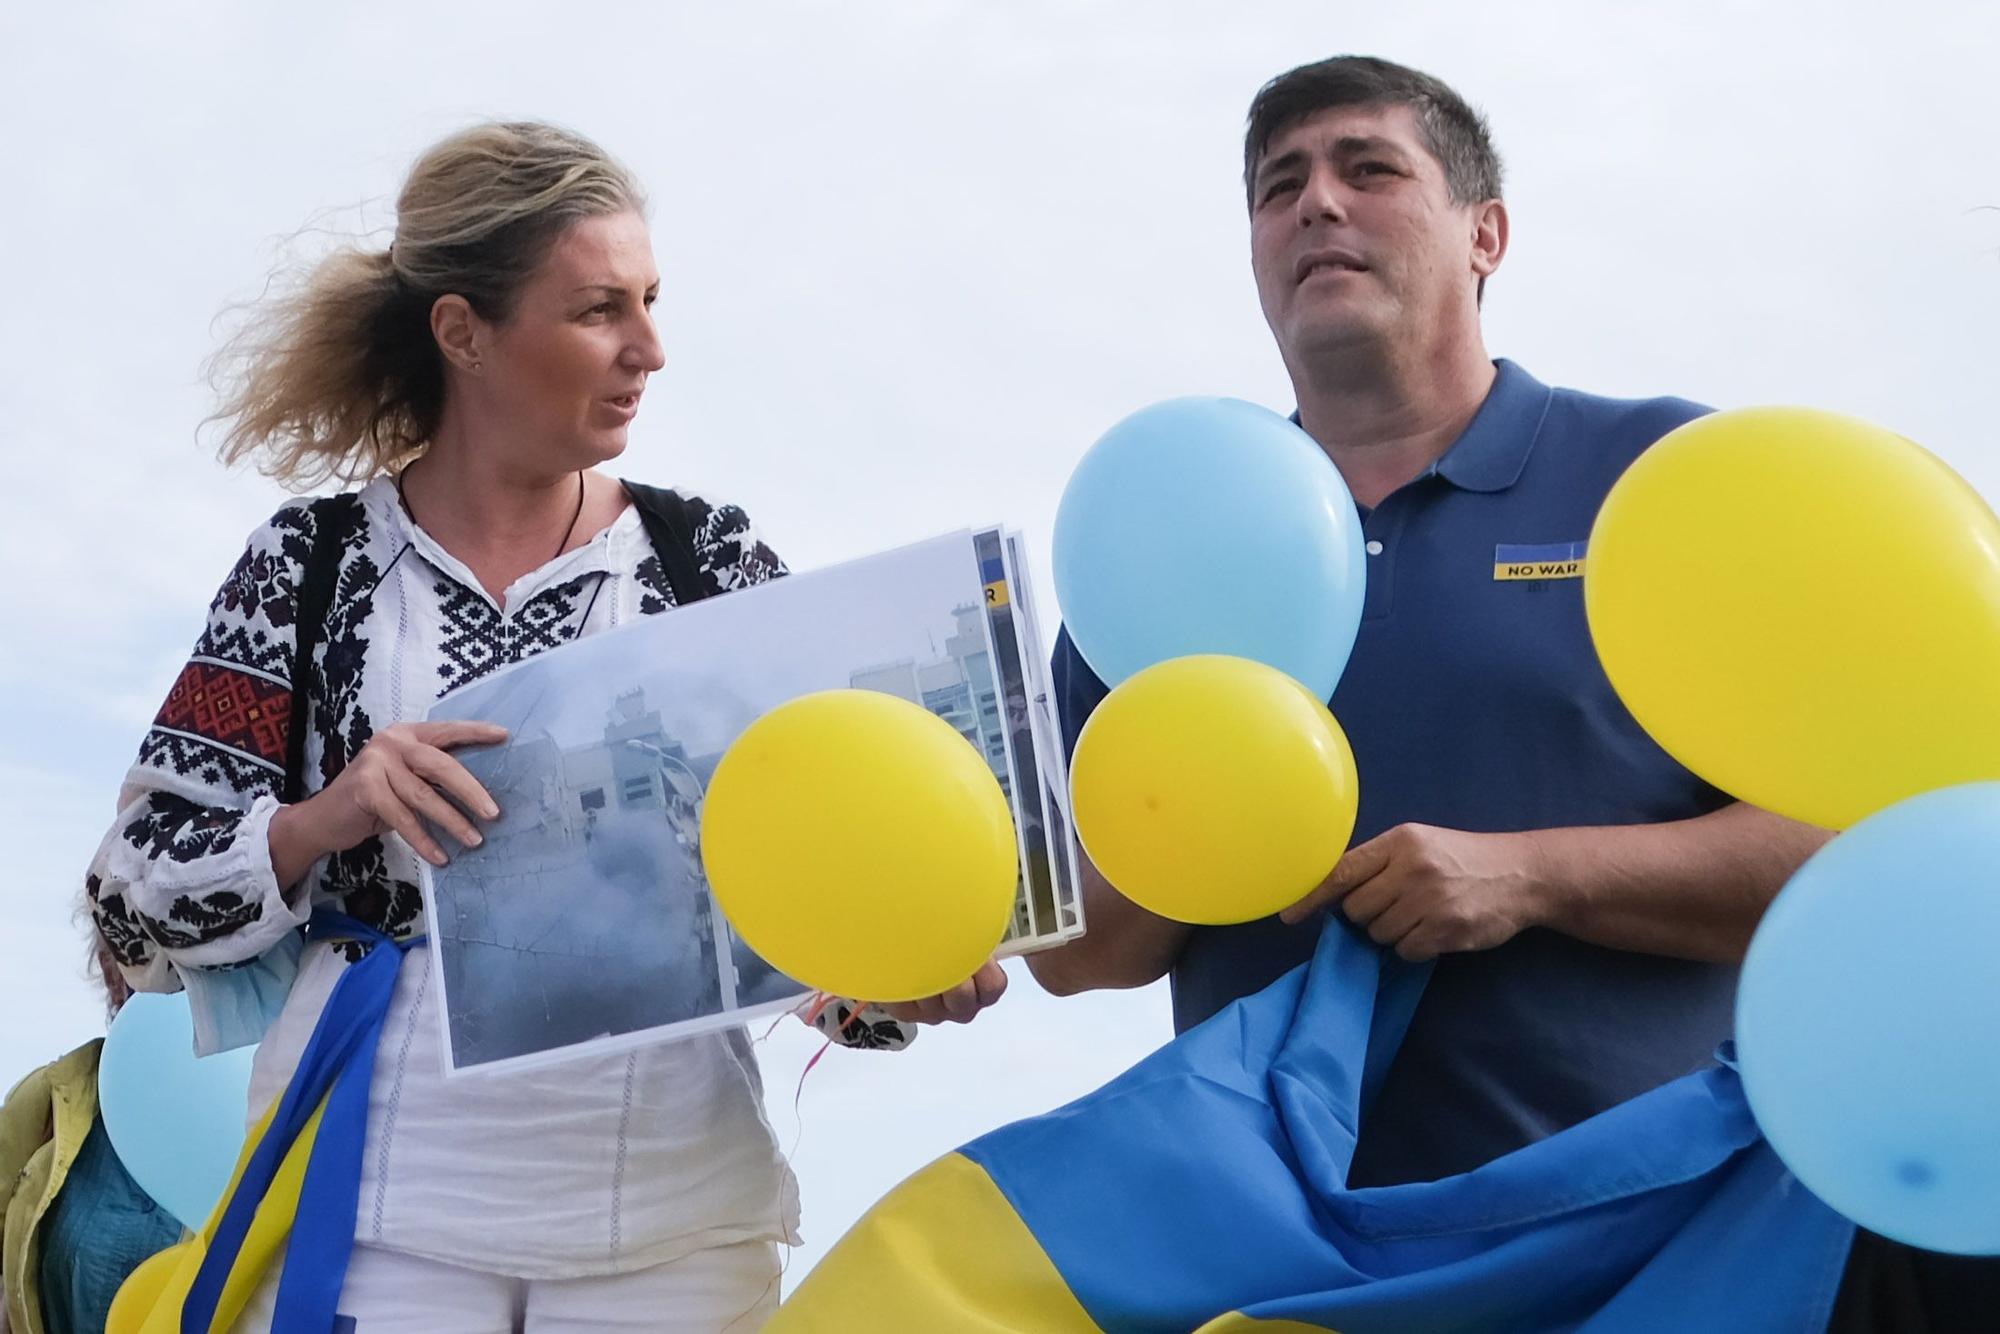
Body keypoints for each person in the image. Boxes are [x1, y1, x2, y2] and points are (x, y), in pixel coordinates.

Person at [1030, 54, 2000, 1328]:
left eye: (1367, 168)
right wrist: (1198, 827)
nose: (1314, 202)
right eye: (1277, 188)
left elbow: (1871, 844)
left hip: (1662, 1251)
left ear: (1484, 233)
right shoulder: (1154, 539)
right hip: (1277, 1271)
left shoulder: (1664, 480)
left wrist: (1530, 874)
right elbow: (1084, 951)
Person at [79, 119, 916, 1332]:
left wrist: (896, 980)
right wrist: (330, 813)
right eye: (598, 311)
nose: (650, 348)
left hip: (675, 1230)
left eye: (650, 301)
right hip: (370, 1216)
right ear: (462, 331)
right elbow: (129, 904)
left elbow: (799, 909)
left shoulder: (707, 561)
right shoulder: (306, 569)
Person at [0, 936, 184, 1334]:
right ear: (109, 970)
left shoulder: (273, 1102)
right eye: (147, 952)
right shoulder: (48, 1099)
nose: (177, 977)